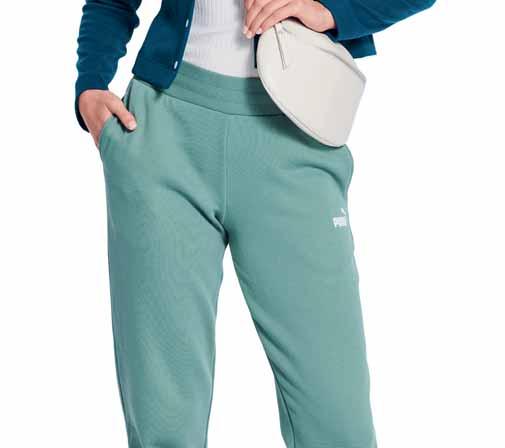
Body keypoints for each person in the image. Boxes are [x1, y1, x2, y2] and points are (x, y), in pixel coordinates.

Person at [75, 0, 436, 446]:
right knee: (164, 423)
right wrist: (90, 83)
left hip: (297, 133)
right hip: (163, 133)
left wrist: (332, 11)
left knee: (337, 420)